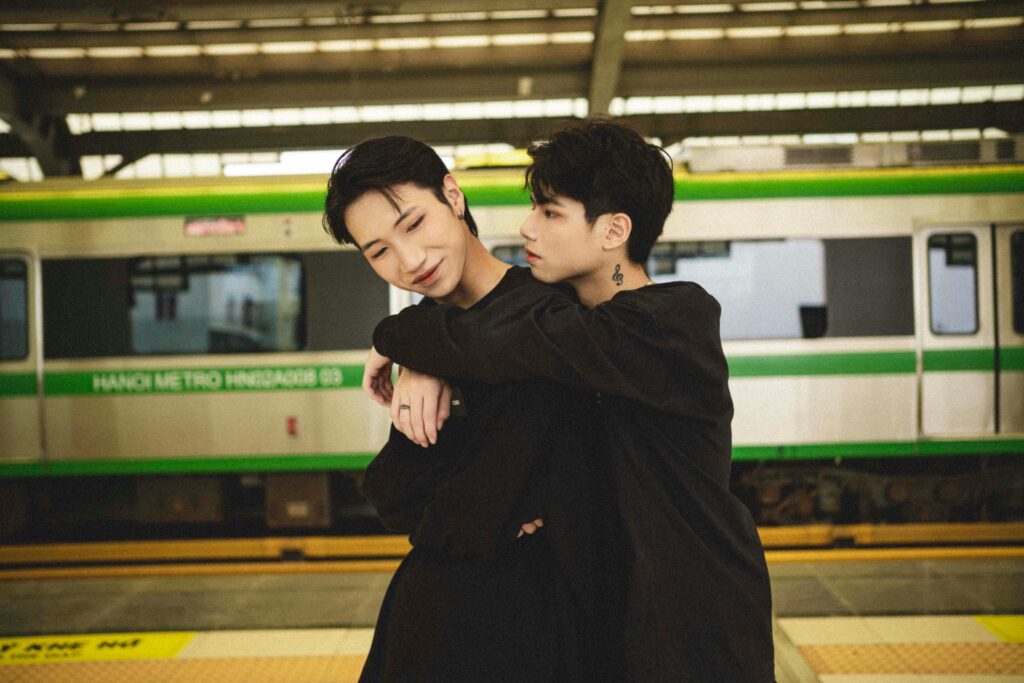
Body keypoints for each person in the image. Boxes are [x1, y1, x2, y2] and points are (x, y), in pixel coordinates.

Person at [365, 119, 776, 682]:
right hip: (610, 619)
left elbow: (511, 339)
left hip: (691, 614)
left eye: (551, 213)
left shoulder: (668, 323)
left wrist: (400, 340)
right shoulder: (556, 327)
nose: (527, 226)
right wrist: (423, 352)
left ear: (613, 231)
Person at [323, 136, 611, 682]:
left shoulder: (552, 312)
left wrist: (414, 344)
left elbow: (480, 501)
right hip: (434, 621)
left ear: (453, 196)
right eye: (378, 251)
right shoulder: (431, 341)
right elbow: (390, 492)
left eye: (413, 224)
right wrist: (421, 351)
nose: (409, 261)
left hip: (530, 625)